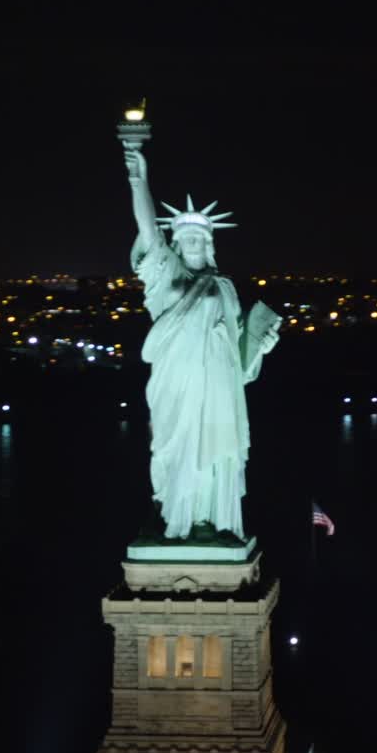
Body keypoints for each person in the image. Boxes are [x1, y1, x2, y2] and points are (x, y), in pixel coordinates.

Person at [124, 146, 279, 542]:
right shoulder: (165, 273)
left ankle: (213, 520)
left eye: (199, 236)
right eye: (185, 236)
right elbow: (146, 229)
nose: (193, 241)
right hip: (177, 384)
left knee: (214, 455)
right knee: (176, 452)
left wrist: (261, 344)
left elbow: (238, 347)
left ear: (209, 242)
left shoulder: (224, 287)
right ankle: (177, 519)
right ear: (176, 242)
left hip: (219, 387)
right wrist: (138, 178)